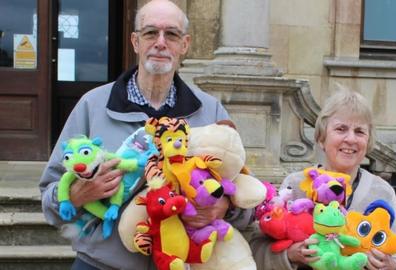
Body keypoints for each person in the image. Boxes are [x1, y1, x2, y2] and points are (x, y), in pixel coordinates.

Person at [39, 1, 247, 269]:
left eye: (171, 34)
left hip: (182, 262)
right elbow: (49, 199)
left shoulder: (210, 110)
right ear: (135, 41)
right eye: (150, 33)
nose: (160, 42)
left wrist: (225, 207)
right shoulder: (93, 105)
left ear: (184, 45)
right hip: (101, 264)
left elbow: (247, 192)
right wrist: (78, 194)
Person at [249, 89, 396, 270]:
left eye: (359, 132)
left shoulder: (381, 191)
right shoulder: (295, 186)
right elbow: (257, 246)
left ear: (368, 142)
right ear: (322, 137)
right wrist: (289, 255)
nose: (351, 139)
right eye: (341, 129)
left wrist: (393, 264)